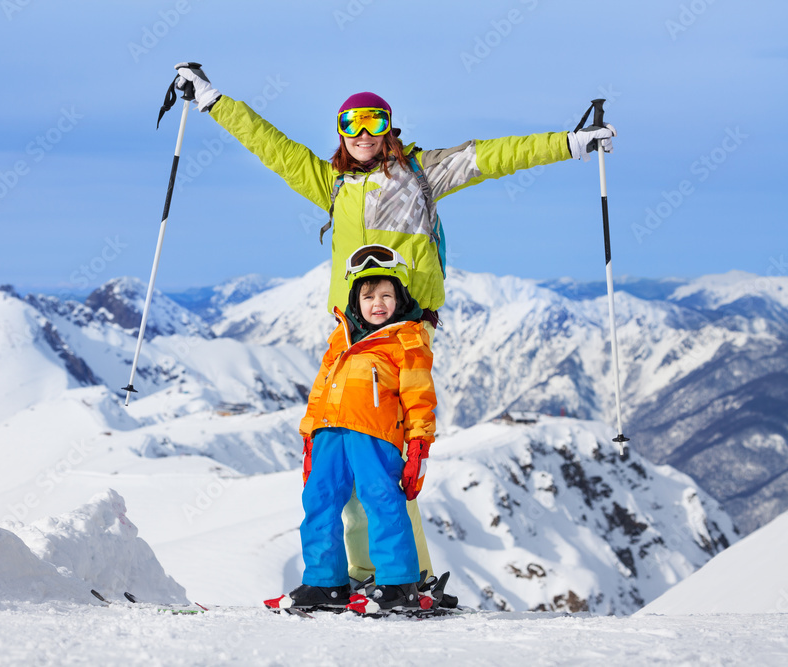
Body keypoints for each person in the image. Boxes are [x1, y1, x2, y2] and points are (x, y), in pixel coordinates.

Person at [173, 63, 615, 584]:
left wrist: (572, 142)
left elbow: (494, 156)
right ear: (341, 131)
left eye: (374, 122)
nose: (363, 134)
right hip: (349, 334)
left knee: (383, 469)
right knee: (352, 473)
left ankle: (410, 578)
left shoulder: (421, 174)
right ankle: (368, 577)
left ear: (390, 128)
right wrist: (210, 99)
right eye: (352, 124)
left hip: (402, 332)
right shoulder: (330, 183)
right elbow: (268, 144)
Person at [265, 245, 435, 612]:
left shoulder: (407, 340)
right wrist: (310, 436)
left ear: (400, 297)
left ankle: (398, 584)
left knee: (382, 500)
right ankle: (325, 583)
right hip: (329, 433)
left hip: (374, 435)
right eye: (368, 295)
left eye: (387, 295)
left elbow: (420, 396)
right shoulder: (339, 339)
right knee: (318, 502)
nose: (378, 303)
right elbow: (320, 390)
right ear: (356, 301)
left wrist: (419, 443)